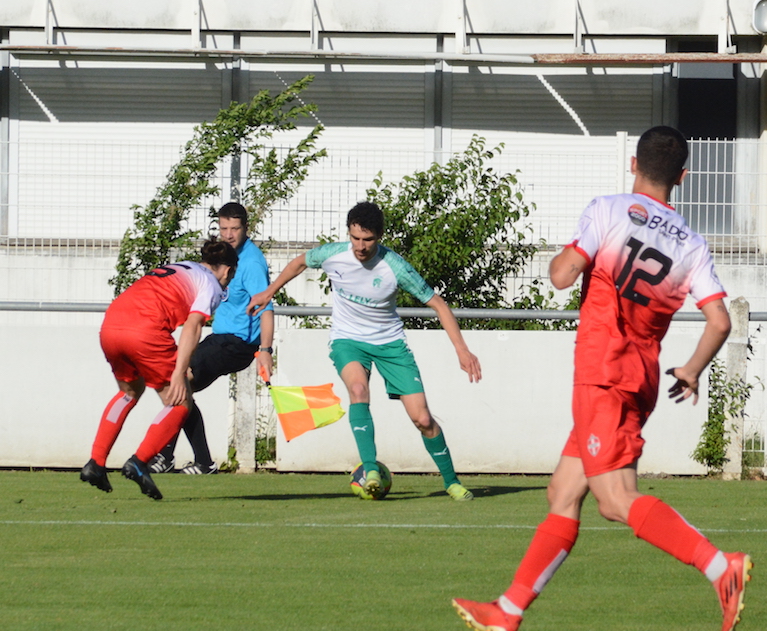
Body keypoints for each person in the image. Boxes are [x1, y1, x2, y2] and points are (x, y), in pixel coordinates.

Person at [451, 126, 751, 631]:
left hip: (602, 371)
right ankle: (508, 609)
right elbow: (720, 322)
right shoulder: (693, 245)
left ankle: (720, 566)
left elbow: (564, 274)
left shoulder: (608, 209)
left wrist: (563, 261)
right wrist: (693, 369)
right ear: (682, 176)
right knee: (563, 492)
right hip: (641, 376)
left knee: (615, 499)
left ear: (633, 164)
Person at [247, 201, 480, 501]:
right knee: (358, 389)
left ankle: (451, 482)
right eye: (355, 238)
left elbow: (437, 304)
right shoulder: (333, 254)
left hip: (390, 344)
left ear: (379, 237)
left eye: (368, 239)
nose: (360, 246)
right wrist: (269, 291)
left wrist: (462, 351)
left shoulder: (395, 267)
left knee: (422, 419)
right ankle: (370, 470)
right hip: (348, 340)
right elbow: (299, 263)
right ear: (349, 233)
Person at [80, 240, 238, 500]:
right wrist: (179, 371)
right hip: (144, 331)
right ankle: (140, 462)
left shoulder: (180, 267)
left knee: (129, 392)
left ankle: (96, 462)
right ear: (227, 271)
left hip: (111, 325)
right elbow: (193, 326)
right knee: (180, 402)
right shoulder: (210, 284)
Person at [148, 202, 274, 475]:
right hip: (221, 339)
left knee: (182, 381)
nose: (228, 234)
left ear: (246, 228)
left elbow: (267, 309)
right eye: (224, 228)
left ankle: (172, 457)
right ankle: (190, 459)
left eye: (235, 229)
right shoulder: (222, 259)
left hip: (236, 343)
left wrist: (266, 349)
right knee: (181, 387)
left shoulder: (251, 263)